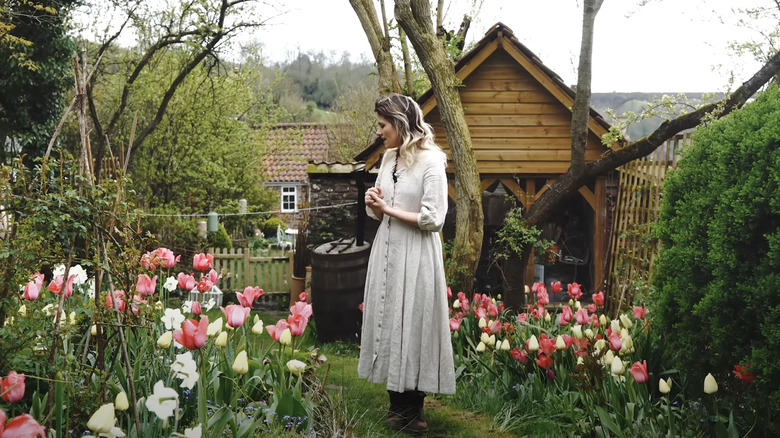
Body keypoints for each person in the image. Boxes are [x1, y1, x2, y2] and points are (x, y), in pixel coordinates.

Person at [357, 93, 456, 433]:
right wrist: (373, 202)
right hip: (387, 249)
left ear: (399, 123)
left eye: (383, 125)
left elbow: (434, 218)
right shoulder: (388, 159)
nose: (379, 131)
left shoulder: (431, 160)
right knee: (388, 318)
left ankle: (415, 411)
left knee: (413, 322)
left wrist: (387, 211)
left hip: (417, 251)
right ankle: (396, 407)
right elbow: (380, 209)